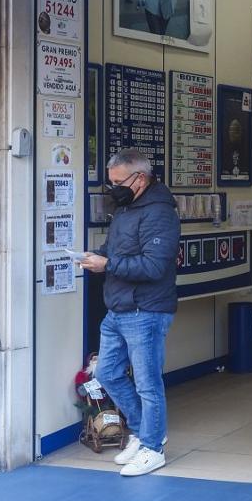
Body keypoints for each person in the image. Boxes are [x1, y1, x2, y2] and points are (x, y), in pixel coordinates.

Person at [80, 149, 181, 478]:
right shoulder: (126, 208)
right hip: (118, 307)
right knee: (107, 373)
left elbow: (154, 266)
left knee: (148, 384)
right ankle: (143, 432)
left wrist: (107, 265)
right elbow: (115, 249)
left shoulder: (160, 212)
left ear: (140, 178)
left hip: (147, 309)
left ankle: (153, 448)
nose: (113, 189)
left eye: (118, 182)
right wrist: (96, 257)